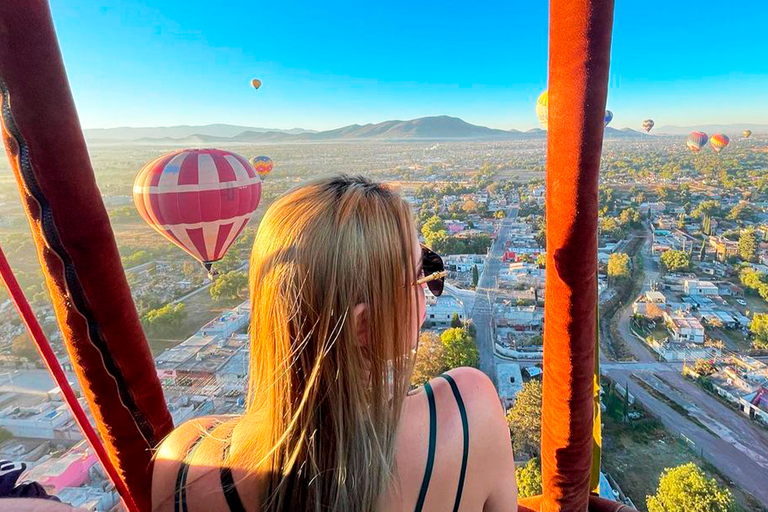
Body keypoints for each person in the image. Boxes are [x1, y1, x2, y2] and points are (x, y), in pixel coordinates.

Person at [151, 175, 517, 511]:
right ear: (363, 324)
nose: (431, 291)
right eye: (423, 274)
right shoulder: (467, 411)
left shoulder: (183, 461)